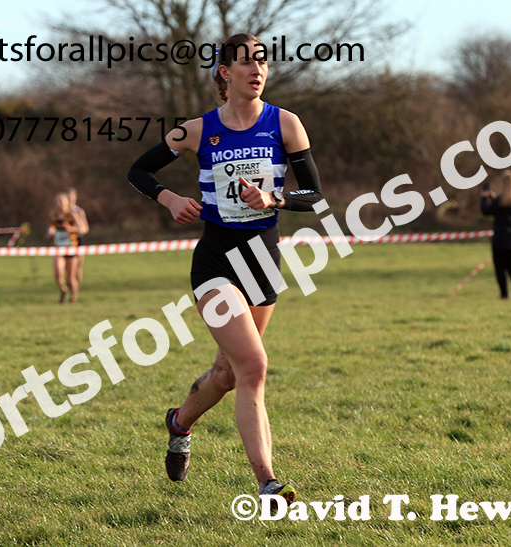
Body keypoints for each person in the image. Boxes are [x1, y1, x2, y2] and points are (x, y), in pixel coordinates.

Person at [127, 33, 323, 502]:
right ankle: (267, 482)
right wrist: (169, 198)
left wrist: (274, 198)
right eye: (246, 62)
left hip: (263, 260)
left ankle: (179, 423)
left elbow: (314, 194)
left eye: (262, 61)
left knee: (229, 375)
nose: (257, 69)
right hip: (216, 262)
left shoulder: (286, 124)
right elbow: (138, 170)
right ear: (224, 71)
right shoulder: (197, 130)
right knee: (254, 365)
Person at [481, 170, 511, 300]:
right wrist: (494, 199)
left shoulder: (500, 201)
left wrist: (484, 197)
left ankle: (504, 294)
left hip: (502, 239)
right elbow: (506, 207)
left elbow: (486, 210)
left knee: (500, 269)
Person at [45, 192, 86, 303]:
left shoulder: (72, 214)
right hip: (59, 248)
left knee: (70, 277)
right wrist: (49, 233)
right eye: (57, 202)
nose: (59, 204)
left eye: (61, 201)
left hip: (71, 248)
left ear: (67, 203)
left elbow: (82, 229)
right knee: (58, 274)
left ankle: (73, 297)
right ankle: (63, 289)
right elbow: (51, 227)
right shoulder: (53, 214)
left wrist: (71, 229)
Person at [66, 187, 89, 284]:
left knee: (77, 268)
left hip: (77, 241)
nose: (70, 199)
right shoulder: (61, 212)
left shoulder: (79, 211)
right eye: (68, 197)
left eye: (71, 197)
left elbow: (85, 229)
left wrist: (74, 229)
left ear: (76, 197)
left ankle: (76, 287)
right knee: (67, 269)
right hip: (65, 241)